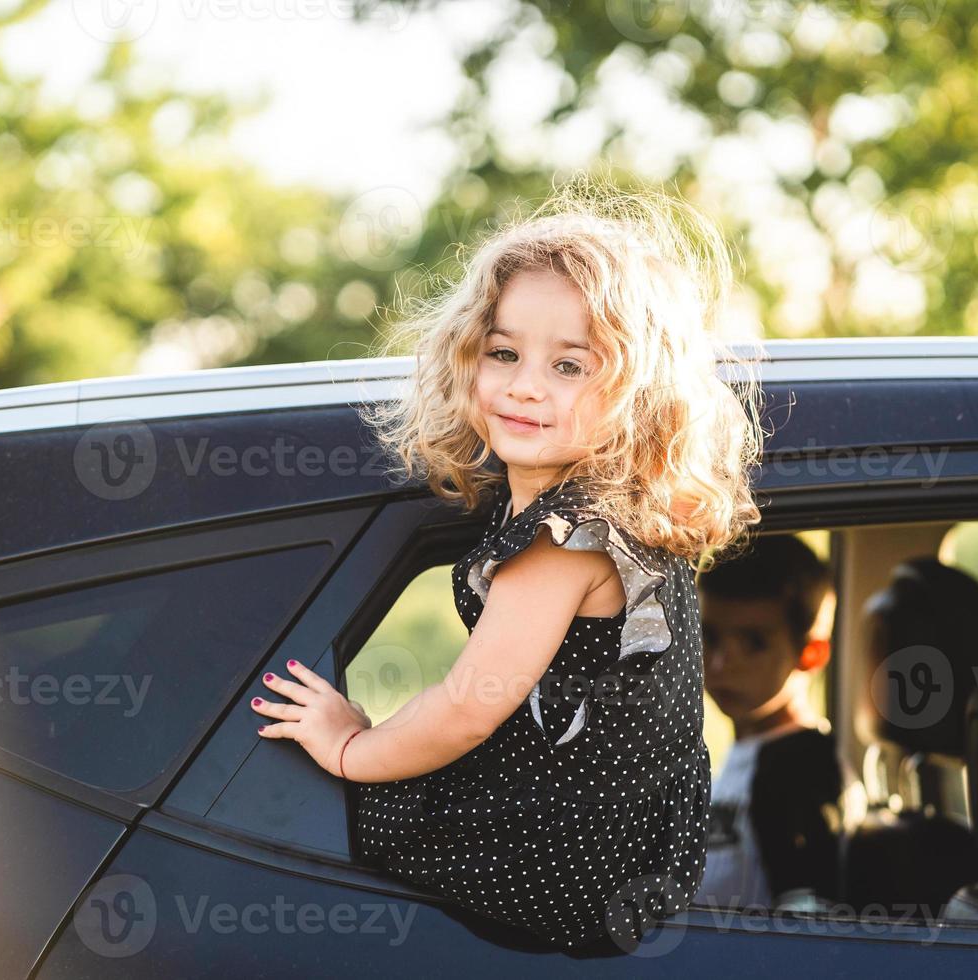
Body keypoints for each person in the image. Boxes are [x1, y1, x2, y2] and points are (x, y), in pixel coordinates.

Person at [248, 173, 766, 952]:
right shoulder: (609, 515)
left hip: (550, 854)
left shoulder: (561, 539)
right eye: (504, 352)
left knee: (332, 814)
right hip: (618, 855)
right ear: (468, 358)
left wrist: (352, 748)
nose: (525, 387)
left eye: (570, 365)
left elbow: (466, 704)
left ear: (637, 391)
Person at [691, 533, 866, 912]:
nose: (720, 664)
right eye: (709, 636)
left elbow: (808, 921)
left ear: (812, 653)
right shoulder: (750, 752)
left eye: (753, 642)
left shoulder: (802, 768)